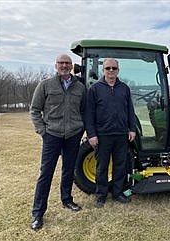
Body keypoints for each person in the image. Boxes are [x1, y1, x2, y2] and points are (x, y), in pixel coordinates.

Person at [29, 54, 86, 230]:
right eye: (61, 63)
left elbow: (84, 110)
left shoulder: (80, 87)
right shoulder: (45, 85)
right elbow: (34, 110)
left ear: (72, 66)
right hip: (52, 135)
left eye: (67, 63)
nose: (64, 65)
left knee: (69, 170)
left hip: (73, 135)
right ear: (56, 65)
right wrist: (42, 131)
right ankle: (38, 213)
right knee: (46, 173)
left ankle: (67, 200)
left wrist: (80, 128)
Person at [85, 58, 136, 208]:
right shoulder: (95, 89)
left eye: (114, 68)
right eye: (108, 68)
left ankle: (117, 193)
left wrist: (132, 129)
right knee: (102, 166)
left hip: (121, 134)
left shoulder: (124, 88)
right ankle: (101, 195)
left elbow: (130, 111)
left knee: (120, 165)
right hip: (102, 135)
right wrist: (91, 134)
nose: (111, 70)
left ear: (118, 70)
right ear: (103, 70)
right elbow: (89, 114)